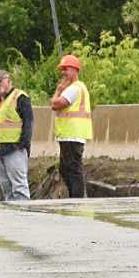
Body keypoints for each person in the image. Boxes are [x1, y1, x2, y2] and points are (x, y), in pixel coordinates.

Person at [0, 69, 32, 202]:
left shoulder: (20, 97)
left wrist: (22, 144)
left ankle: (23, 217)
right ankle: (11, 217)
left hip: (14, 150)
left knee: (19, 187)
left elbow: (28, 123)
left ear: (9, 81)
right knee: (6, 187)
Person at [50, 53, 92, 198]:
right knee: (66, 168)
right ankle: (75, 197)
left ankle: (77, 200)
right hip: (69, 135)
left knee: (73, 169)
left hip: (72, 134)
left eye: (66, 69)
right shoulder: (75, 87)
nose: (63, 72)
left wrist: (59, 91)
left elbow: (56, 104)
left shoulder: (74, 88)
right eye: (62, 69)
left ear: (75, 70)